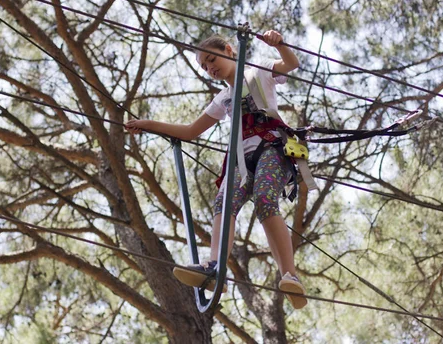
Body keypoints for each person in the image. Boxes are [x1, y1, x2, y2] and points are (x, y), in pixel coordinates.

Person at [125, 30, 307, 309]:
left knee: (265, 199)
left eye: (212, 59)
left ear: (230, 50)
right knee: (224, 201)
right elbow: (190, 131)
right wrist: (148, 124)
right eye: (204, 66)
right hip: (240, 159)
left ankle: (289, 274)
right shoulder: (223, 98)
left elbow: (290, 64)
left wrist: (279, 43)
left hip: (272, 148)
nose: (210, 68)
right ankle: (214, 267)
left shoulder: (258, 72)